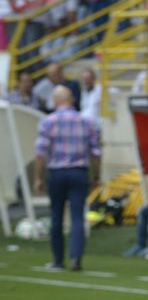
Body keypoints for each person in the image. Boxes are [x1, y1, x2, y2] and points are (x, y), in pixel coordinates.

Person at [32, 85, 102, 272]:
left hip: (57, 173)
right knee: (78, 217)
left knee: (56, 216)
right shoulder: (86, 121)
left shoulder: (48, 122)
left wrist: (38, 177)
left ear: (55, 101)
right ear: (72, 100)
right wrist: (96, 175)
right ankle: (76, 258)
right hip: (79, 172)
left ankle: (57, 260)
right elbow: (96, 153)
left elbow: (40, 152)